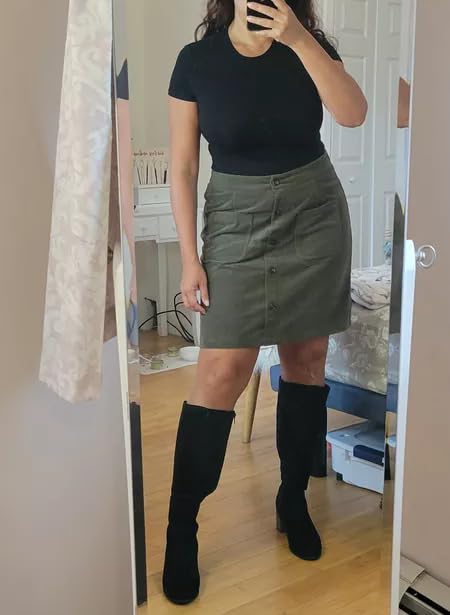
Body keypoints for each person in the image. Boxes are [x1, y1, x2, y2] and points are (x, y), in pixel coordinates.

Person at [163, 0, 367, 605]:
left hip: (314, 215)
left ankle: (292, 499)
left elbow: (353, 114)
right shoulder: (195, 61)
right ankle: (181, 526)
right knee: (222, 370)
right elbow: (182, 167)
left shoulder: (308, 47)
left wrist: (301, 39)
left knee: (306, 361)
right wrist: (189, 257)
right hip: (234, 221)